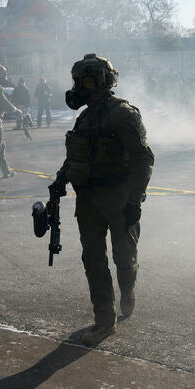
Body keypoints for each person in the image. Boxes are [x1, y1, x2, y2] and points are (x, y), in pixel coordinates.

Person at [48, 54, 154, 346]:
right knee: (93, 260)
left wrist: (134, 203)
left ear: (99, 81)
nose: (78, 87)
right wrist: (59, 182)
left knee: (124, 258)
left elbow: (143, 160)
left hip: (119, 200)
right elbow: (76, 157)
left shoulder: (123, 114)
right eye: (77, 81)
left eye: (83, 81)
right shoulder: (85, 117)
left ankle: (127, 291)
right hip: (89, 201)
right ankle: (105, 321)